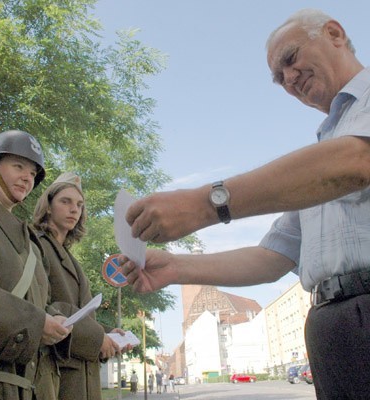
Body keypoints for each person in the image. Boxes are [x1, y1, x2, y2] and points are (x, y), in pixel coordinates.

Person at [121, 8, 370, 400]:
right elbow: (273, 256)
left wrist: (207, 203)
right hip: (334, 331)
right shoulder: (324, 149)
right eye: (277, 77)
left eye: (290, 59)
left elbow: (357, 163)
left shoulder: (346, 140)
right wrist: (175, 267)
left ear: (335, 33)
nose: (288, 78)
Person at [0, 130, 72, 400]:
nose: (27, 177)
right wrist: (37, 323)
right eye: (18, 167)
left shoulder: (32, 243)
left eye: (32, 173)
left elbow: (39, 303)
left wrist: (54, 320)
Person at [33, 172, 131, 400]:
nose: (74, 209)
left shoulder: (70, 258)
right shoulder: (37, 246)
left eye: (79, 204)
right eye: (65, 202)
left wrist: (109, 335)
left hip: (82, 377)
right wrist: (98, 339)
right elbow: (45, 307)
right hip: (55, 375)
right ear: (48, 206)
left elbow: (80, 316)